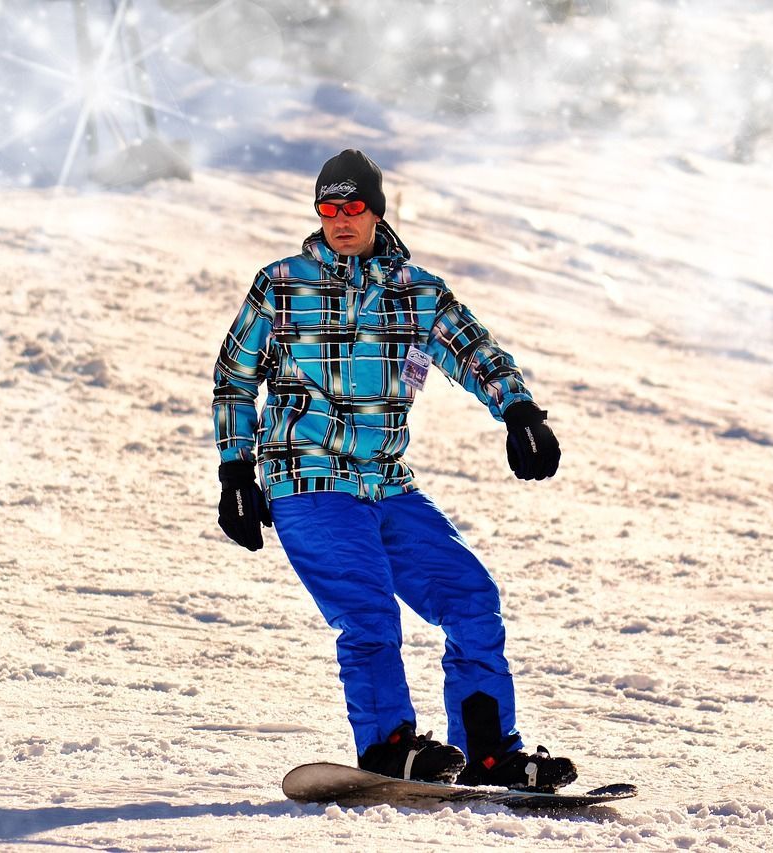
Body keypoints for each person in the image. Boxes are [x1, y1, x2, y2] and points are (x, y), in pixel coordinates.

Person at [211, 149, 575, 792]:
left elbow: (475, 350)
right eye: (329, 206)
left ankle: (487, 748)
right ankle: (387, 747)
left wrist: (519, 411)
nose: (341, 218)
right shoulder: (281, 283)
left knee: (471, 600)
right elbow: (236, 379)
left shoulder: (418, 292)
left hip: (387, 484)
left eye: (354, 206)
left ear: (377, 211)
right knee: (370, 616)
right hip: (310, 482)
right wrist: (236, 472)